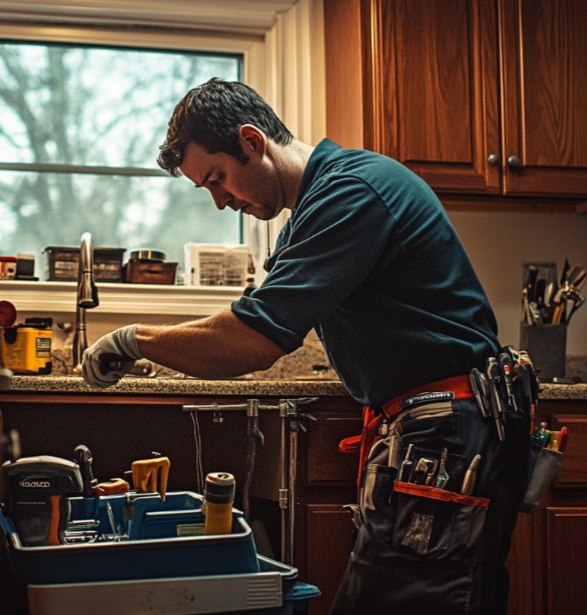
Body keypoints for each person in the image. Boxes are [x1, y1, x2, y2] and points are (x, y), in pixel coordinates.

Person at [80, 78, 529, 614]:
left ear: (252, 141)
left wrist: (135, 339)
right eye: (207, 189)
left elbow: (252, 339)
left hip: (448, 432)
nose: (220, 202)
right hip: (438, 431)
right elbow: (253, 317)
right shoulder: (313, 213)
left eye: (218, 179)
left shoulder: (352, 192)